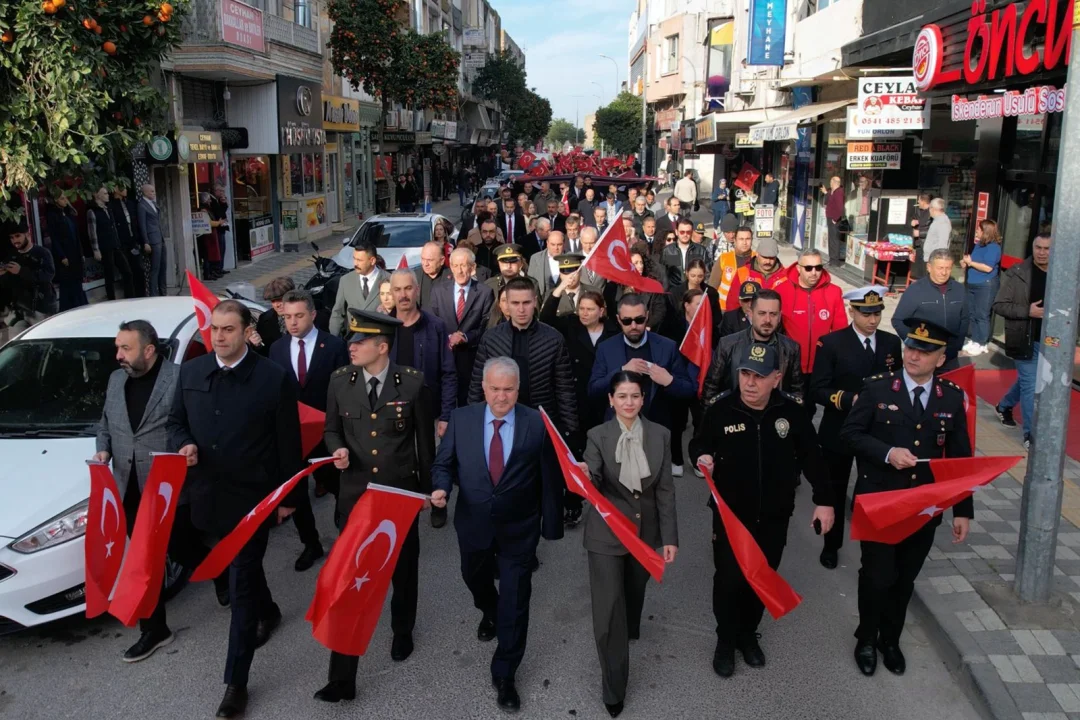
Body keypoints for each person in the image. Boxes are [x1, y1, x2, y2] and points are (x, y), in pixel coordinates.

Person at [166, 300, 303, 719]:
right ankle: (272, 611)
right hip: (208, 497)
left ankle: (235, 684)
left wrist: (288, 499)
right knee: (240, 571)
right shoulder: (189, 373)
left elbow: (288, 444)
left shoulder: (273, 378)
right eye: (214, 329)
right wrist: (183, 444)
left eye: (228, 329)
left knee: (241, 582)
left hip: (253, 501)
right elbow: (175, 424)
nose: (219, 336)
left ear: (246, 331)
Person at [690, 343, 834, 678]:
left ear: (777, 378)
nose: (749, 383)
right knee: (728, 581)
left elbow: (813, 457)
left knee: (761, 577)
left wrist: (825, 500)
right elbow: (698, 443)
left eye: (759, 376)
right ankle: (725, 639)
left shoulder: (792, 413)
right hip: (730, 517)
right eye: (744, 374)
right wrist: (701, 458)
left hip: (773, 515)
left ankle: (746, 634)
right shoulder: (721, 410)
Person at [431, 357, 564, 713]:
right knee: (473, 577)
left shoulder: (536, 424)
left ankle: (505, 673)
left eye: (508, 389)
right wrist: (441, 489)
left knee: (516, 601)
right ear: (484, 388)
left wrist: (550, 527)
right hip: (473, 524)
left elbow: (550, 479)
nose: (501, 396)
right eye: (494, 389)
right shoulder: (462, 420)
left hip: (519, 529)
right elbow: (443, 463)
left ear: (517, 390)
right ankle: (488, 610)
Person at [839, 318, 972, 678]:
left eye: (924, 351)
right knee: (878, 576)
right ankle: (866, 637)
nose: (913, 356)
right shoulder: (879, 389)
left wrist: (963, 510)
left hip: (923, 510)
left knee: (903, 580)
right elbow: (850, 434)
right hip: (880, 502)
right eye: (910, 347)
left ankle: (890, 639)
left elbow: (960, 459)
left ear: (941, 359)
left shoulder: (952, 398)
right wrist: (886, 453)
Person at [315, 309, 435, 702]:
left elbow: (424, 447)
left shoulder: (412, 384)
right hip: (356, 496)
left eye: (360, 341)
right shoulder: (339, 382)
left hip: (399, 494)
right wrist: (336, 451)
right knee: (351, 580)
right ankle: (342, 677)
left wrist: (428, 495)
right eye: (352, 340)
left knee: (403, 570)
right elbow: (331, 428)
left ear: (382, 347)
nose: (351, 346)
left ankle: (402, 629)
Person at [94, 320, 226, 661]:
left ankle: (221, 572)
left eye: (126, 348)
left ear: (149, 350)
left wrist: (190, 446)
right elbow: (106, 421)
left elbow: (196, 423)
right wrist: (103, 447)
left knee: (182, 548)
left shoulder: (180, 378)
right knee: (145, 559)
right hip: (129, 487)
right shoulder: (115, 379)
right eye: (117, 347)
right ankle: (154, 630)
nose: (119, 355)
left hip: (168, 487)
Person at [579, 371, 678, 718]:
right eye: (621, 396)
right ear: (610, 400)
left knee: (634, 592)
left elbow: (664, 489)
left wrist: (669, 538)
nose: (629, 403)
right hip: (606, 534)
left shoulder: (661, 435)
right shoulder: (597, 435)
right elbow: (591, 478)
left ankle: (630, 626)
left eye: (635, 396)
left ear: (644, 398)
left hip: (645, 534)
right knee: (608, 611)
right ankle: (614, 685)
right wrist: (581, 474)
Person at [809, 287, 901, 570]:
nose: (873, 320)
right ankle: (831, 544)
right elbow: (818, 389)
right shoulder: (832, 343)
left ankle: (871, 547)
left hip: (876, 432)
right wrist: (850, 399)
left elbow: (896, 381)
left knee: (872, 489)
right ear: (852, 311)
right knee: (834, 489)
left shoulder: (890, 343)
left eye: (877, 313)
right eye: (866, 313)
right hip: (840, 428)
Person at [268, 289, 348, 567]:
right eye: (287, 316)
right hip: (294, 436)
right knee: (297, 493)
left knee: (340, 488)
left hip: (328, 433)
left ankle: (347, 540)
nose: (292, 322)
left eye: (299, 316)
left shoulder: (334, 346)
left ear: (312, 315)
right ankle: (311, 544)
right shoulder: (276, 349)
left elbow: (344, 392)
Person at [467, 276, 577, 442]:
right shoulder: (491, 339)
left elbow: (564, 389)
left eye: (526, 303)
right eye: (515, 303)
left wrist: (569, 432)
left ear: (534, 302)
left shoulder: (554, 339)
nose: (521, 309)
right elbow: (477, 385)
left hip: (542, 423)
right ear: (506, 304)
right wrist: (474, 424)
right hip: (500, 422)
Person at [387, 269, 457, 527]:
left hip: (428, 407)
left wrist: (446, 415)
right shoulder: (382, 327)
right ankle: (403, 504)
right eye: (398, 289)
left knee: (430, 458)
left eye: (408, 288)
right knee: (396, 458)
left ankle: (436, 502)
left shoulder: (436, 326)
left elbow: (449, 373)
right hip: (391, 408)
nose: (403, 295)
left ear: (417, 290)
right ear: (391, 293)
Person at [589, 293, 695, 436]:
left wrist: (669, 381)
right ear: (618, 320)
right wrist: (621, 372)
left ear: (647, 316)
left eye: (639, 320)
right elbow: (593, 390)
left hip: (658, 433)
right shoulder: (606, 348)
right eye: (627, 321)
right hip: (618, 433)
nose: (634, 326)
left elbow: (689, 390)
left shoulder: (667, 346)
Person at [993, 232, 1052, 450]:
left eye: (1047, 248)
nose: (1042, 252)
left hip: (1051, 342)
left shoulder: (1062, 273)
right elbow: (999, 305)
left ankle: (1004, 405)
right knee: (1032, 385)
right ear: (1033, 248)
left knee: (1029, 380)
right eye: (1039, 248)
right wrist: (1028, 311)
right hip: (1024, 339)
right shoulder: (1018, 273)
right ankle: (1030, 435)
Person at [702, 289, 805, 404]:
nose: (767, 320)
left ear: (780, 316)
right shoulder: (727, 344)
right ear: (750, 313)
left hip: (775, 415)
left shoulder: (791, 348)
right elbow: (711, 387)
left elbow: (797, 391)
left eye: (773, 314)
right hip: (735, 415)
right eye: (761, 313)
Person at [891, 249, 968, 371]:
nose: (944, 272)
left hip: (949, 357)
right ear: (929, 267)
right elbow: (898, 320)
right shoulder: (915, 290)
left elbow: (964, 319)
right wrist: (916, 345)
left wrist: (956, 345)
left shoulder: (960, 290)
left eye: (948, 268)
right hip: (923, 358)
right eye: (940, 268)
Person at [776, 248, 847, 375]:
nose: (814, 272)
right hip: (790, 365)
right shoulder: (781, 291)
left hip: (822, 365)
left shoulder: (834, 292)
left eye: (818, 267)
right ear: (798, 268)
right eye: (808, 268)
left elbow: (840, 331)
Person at [329, 240, 391, 337]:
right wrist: (333, 339)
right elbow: (337, 313)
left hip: (379, 340)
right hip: (353, 341)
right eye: (354, 259)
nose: (355, 264)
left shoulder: (389, 279)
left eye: (360, 260)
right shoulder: (346, 281)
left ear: (372, 261)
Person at [1, 218, 58, 324]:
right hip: (19, 309)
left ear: (27, 234)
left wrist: (21, 271)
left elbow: (48, 276)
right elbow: (9, 283)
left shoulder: (42, 253)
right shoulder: (12, 256)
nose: (14, 240)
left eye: (18, 236)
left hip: (41, 308)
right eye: (11, 238)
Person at [961, 219, 1003, 356]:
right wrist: (966, 263)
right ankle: (974, 339)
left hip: (985, 285)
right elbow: (973, 261)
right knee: (972, 313)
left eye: (979, 229)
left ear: (985, 231)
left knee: (982, 315)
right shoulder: (979, 244)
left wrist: (971, 263)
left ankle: (982, 343)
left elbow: (987, 267)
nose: (977, 231)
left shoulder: (994, 247)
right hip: (973, 283)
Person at [87, 186, 135, 300]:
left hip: (115, 245)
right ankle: (111, 299)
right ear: (97, 196)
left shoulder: (108, 209)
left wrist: (118, 242)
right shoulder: (92, 211)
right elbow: (92, 232)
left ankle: (130, 298)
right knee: (109, 275)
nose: (107, 195)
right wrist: (96, 249)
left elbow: (114, 228)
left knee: (127, 271)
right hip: (104, 247)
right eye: (104, 194)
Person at [45, 192, 88, 310]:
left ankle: (81, 304)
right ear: (55, 200)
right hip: (65, 253)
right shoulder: (53, 215)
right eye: (62, 198)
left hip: (75, 252)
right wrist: (62, 255)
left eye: (66, 198)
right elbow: (54, 238)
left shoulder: (68, 213)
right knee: (68, 281)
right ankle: (69, 307)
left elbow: (76, 234)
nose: (65, 201)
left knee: (77, 279)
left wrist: (81, 252)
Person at [722, 236, 786, 310]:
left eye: (771, 258)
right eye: (765, 257)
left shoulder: (784, 276)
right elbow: (732, 302)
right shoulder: (743, 273)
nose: (768, 261)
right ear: (757, 254)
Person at [667, 258, 720, 340]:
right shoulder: (675, 292)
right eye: (693, 276)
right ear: (687, 273)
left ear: (704, 275)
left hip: (704, 335)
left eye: (700, 276)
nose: (696, 279)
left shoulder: (711, 293)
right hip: (681, 335)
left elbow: (717, 317)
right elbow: (671, 317)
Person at [110, 186, 147, 297]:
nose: (125, 190)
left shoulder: (130, 204)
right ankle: (130, 296)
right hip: (122, 243)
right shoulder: (112, 205)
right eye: (123, 187)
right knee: (127, 272)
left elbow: (135, 222)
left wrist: (140, 240)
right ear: (116, 189)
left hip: (133, 242)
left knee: (139, 270)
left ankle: (141, 295)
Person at [708, 225, 755, 311]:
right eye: (741, 239)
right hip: (724, 309)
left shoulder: (758, 259)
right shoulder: (724, 258)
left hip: (751, 309)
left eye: (748, 239)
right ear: (735, 240)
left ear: (752, 240)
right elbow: (712, 287)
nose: (745, 243)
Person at [660, 218, 710, 287]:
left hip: (694, 290)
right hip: (674, 291)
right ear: (676, 232)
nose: (685, 235)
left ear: (692, 232)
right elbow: (663, 274)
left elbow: (707, 273)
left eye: (688, 232)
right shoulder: (667, 251)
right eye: (682, 232)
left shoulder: (701, 250)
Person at [251, 276, 294, 355]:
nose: (277, 305)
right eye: (273, 301)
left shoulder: (309, 315)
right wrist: (257, 345)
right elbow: (264, 352)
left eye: (280, 299)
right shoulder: (265, 319)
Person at [138, 184, 167, 296]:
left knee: (163, 266)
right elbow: (142, 225)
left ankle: (163, 292)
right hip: (152, 240)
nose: (154, 193)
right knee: (155, 268)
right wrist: (146, 242)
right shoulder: (142, 205)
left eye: (154, 191)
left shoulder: (153, 204)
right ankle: (153, 294)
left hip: (160, 237)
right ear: (145, 192)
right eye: (152, 191)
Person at [527, 229, 566, 297]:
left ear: (564, 244)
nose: (556, 248)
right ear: (547, 243)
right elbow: (531, 283)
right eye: (553, 244)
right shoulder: (535, 259)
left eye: (559, 244)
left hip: (564, 302)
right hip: (542, 301)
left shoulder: (571, 258)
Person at [820, 176, 846, 266]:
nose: (830, 183)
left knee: (835, 239)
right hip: (830, 217)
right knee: (831, 239)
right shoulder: (832, 191)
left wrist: (835, 219)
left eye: (831, 181)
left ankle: (835, 261)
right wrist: (826, 193)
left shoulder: (839, 192)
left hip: (834, 219)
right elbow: (828, 202)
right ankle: (832, 259)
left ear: (835, 182)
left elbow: (840, 207)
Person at [418, 241, 451, 309]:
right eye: (423, 259)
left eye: (430, 260)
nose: (425, 264)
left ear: (442, 260)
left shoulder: (453, 279)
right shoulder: (415, 276)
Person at [909, 193, 932, 280]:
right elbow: (912, 219)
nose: (918, 201)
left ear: (923, 201)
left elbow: (933, 230)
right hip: (918, 244)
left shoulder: (931, 212)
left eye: (919, 200)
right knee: (918, 267)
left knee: (925, 268)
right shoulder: (918, 210)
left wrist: (920, 233)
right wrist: (912, 222)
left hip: (926, 244)